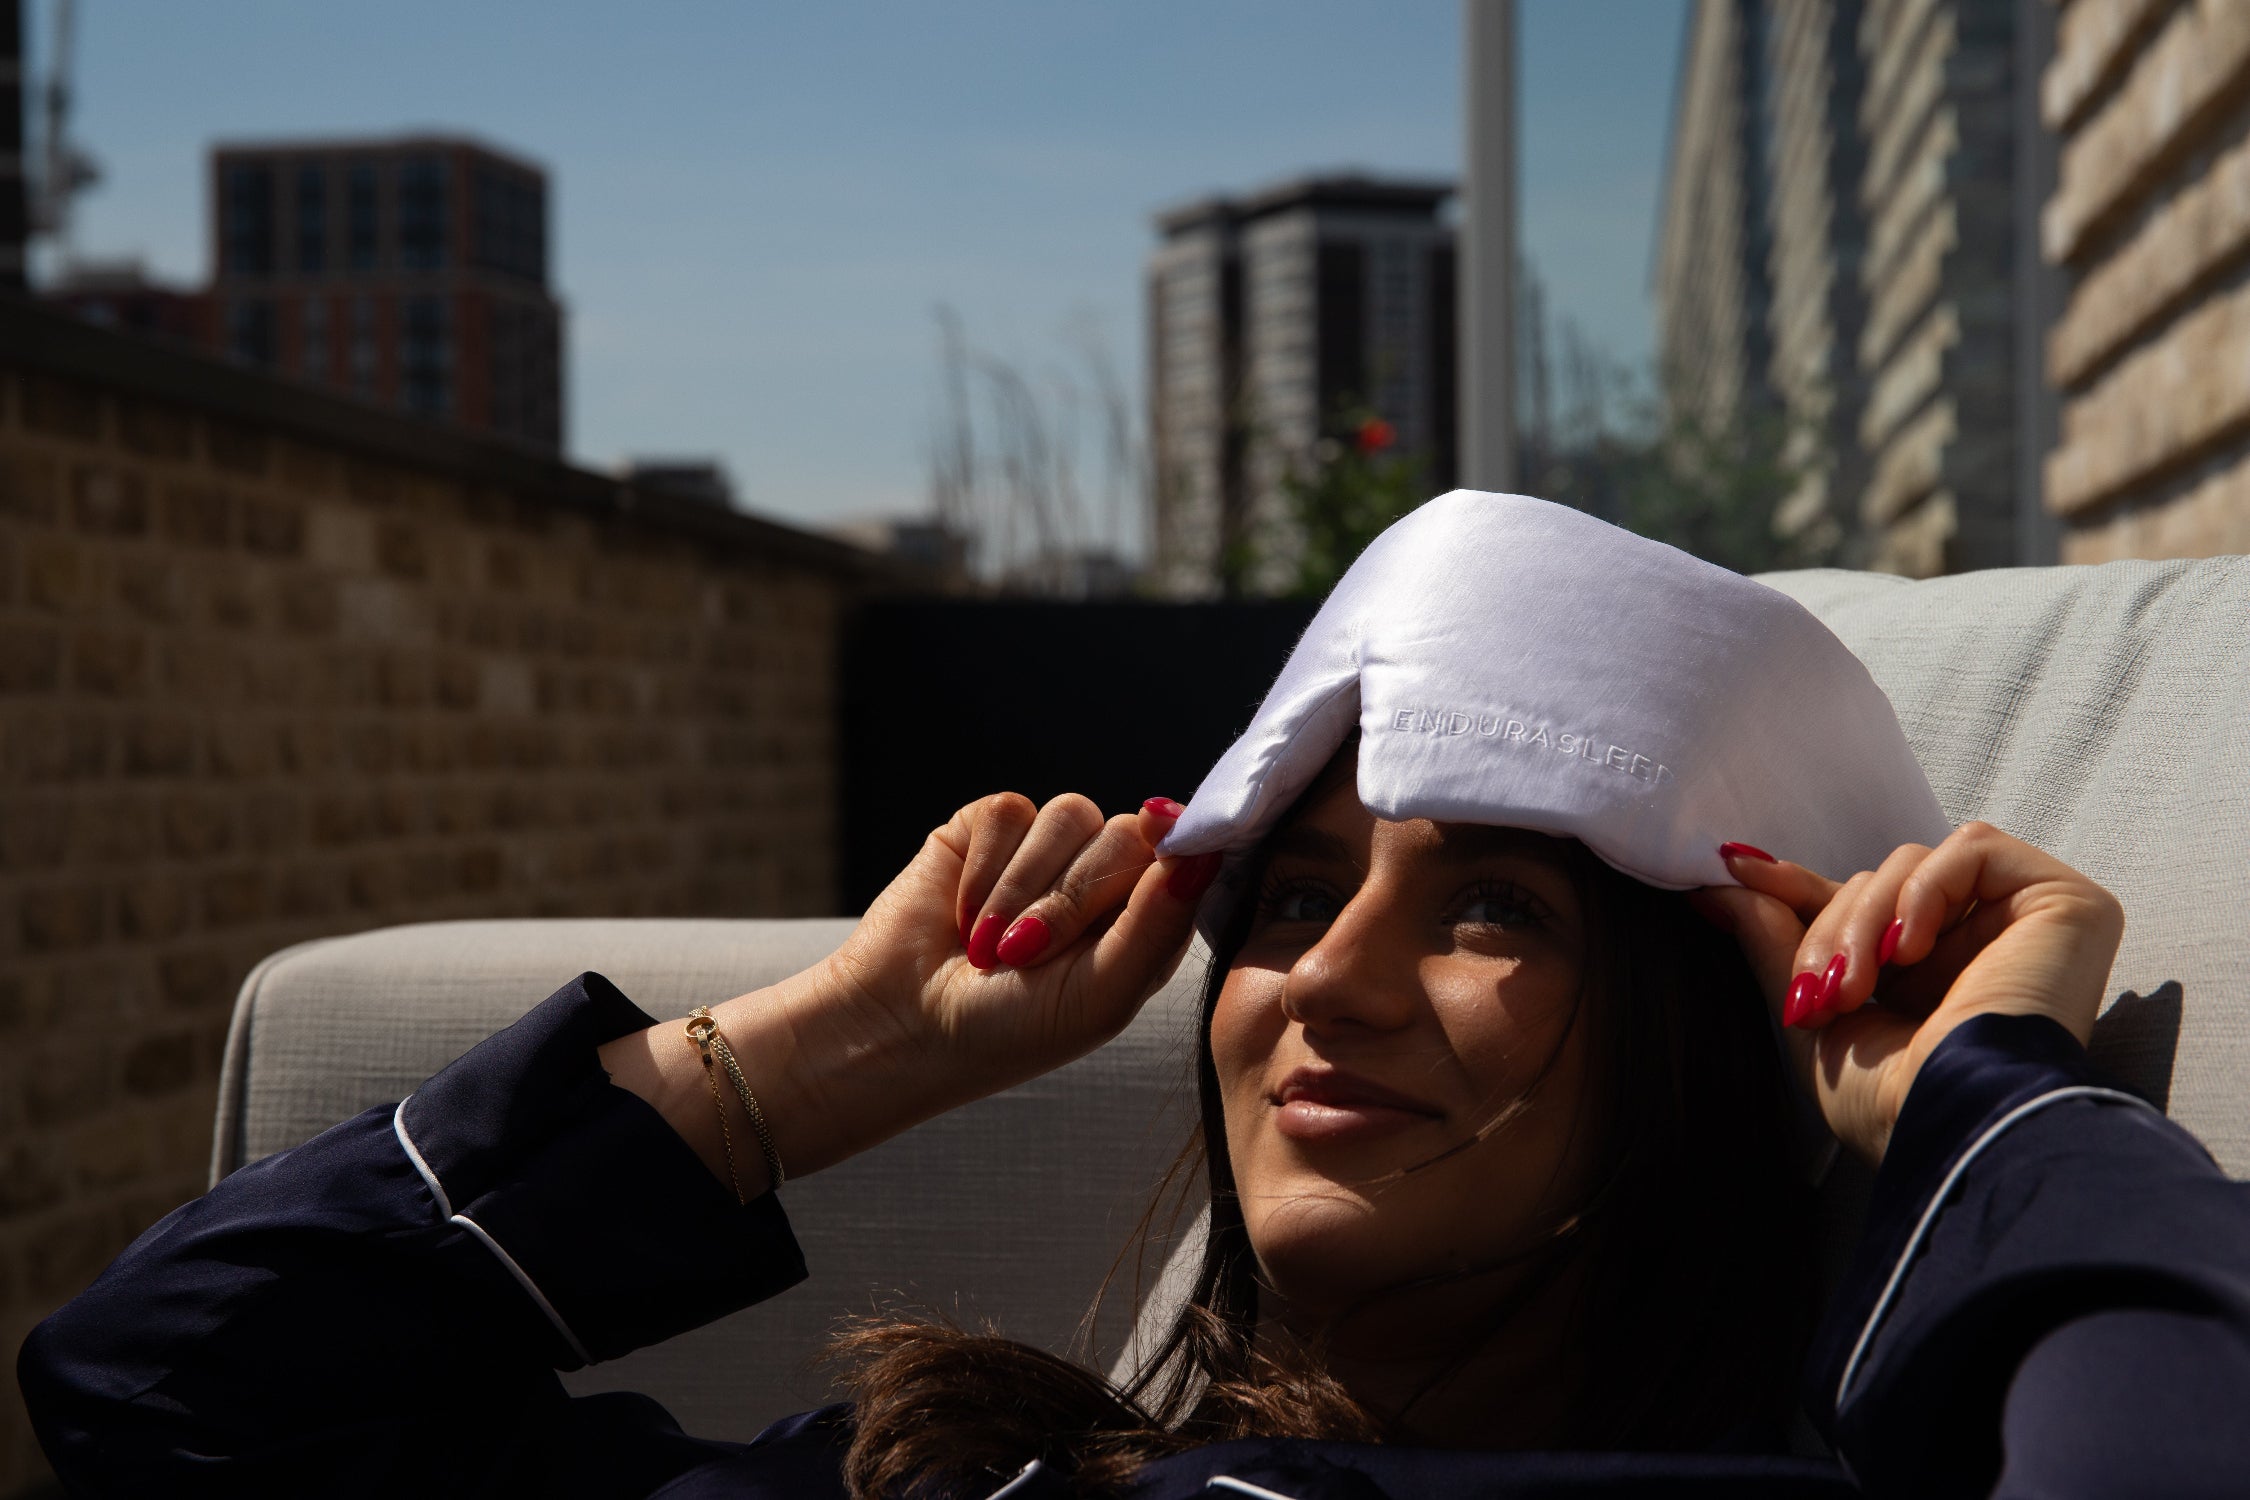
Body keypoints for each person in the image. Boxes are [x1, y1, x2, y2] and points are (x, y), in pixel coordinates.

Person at [20, 493, 2250, 1499]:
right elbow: (166, 1399)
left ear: (1701, 1054)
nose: (1326, 986)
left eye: (1492, 914)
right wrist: (828, 1055)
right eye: (1280, 900)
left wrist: (1986, 1090)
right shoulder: (937, 1471)